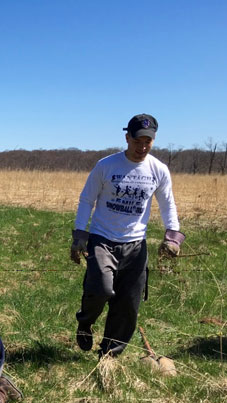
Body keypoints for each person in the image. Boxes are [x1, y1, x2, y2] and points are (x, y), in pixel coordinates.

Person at [70, 114, 185, 358]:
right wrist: (80, 233)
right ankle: (85, 322)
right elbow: (86, 199)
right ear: (127, 138)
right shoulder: (106, 166)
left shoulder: (158, 170)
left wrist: (173, 236)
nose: (142, 147)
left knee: (128, 303)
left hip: (135, 244)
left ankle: (110, 354)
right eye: (137, 142)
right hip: (103, 239)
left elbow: (168, 204)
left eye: (147, 142)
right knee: (100, 288)